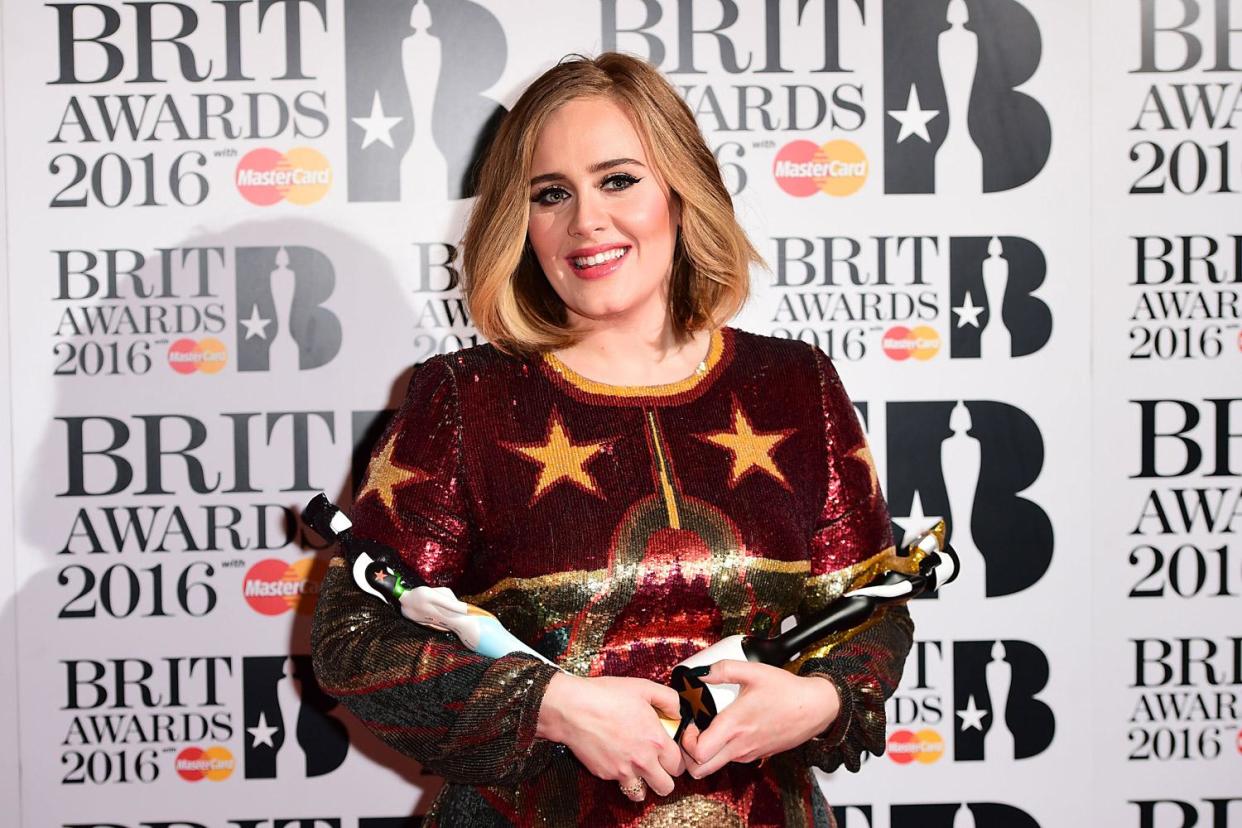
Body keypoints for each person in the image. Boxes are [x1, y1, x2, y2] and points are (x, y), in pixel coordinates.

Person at [310, 52, 913, 827]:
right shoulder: (464, 399)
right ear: (517, 222)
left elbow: (872, 602)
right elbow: (357, 637)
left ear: (680, 189)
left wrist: (821, 698)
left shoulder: (796, 383)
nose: (586, 220)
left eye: (618, 180)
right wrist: (553, 707)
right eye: (550, 194)